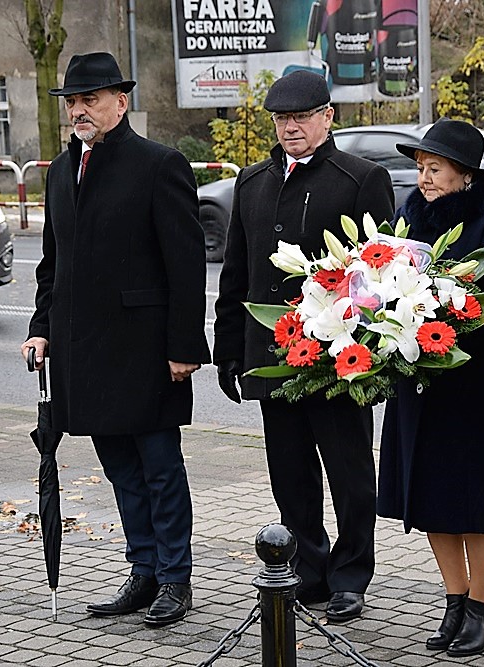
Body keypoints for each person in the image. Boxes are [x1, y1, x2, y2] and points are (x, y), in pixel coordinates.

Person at [20, 52, 210, 628]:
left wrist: (184, 346)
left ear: (120, 102)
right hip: (87, 355)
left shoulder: (159, 164)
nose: (80, 110)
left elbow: (185, 266)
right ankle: (144, 569)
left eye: (92, 99)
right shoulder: (58, 171)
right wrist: (40, 326)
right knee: (121, 471)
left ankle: (175, 579)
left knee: (159, 468)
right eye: (72, 102)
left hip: (147, 351)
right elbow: (54, 262)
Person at [213, 70, 394, 623]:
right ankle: (309, 570)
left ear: (327, 117)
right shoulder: (252, 181)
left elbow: (378, 274)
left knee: (350, 473)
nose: (290, 127)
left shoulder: (361, 177)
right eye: (281, 119)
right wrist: (229, 350)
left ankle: (350, 576)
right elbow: (237, 274)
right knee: (289, 472)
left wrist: (364, 349)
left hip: (339, 357)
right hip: (272, 357)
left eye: (301, 117)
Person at [376, 119, 484, 657]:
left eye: (435, 168)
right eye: (420, 168)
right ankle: (453, 596)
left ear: (465, 174)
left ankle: (482, 603)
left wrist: (439, 311)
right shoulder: (406, 218)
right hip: (419, 384)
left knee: (479, 501)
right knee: (431, 497)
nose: (423, 178)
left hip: (479, 387)